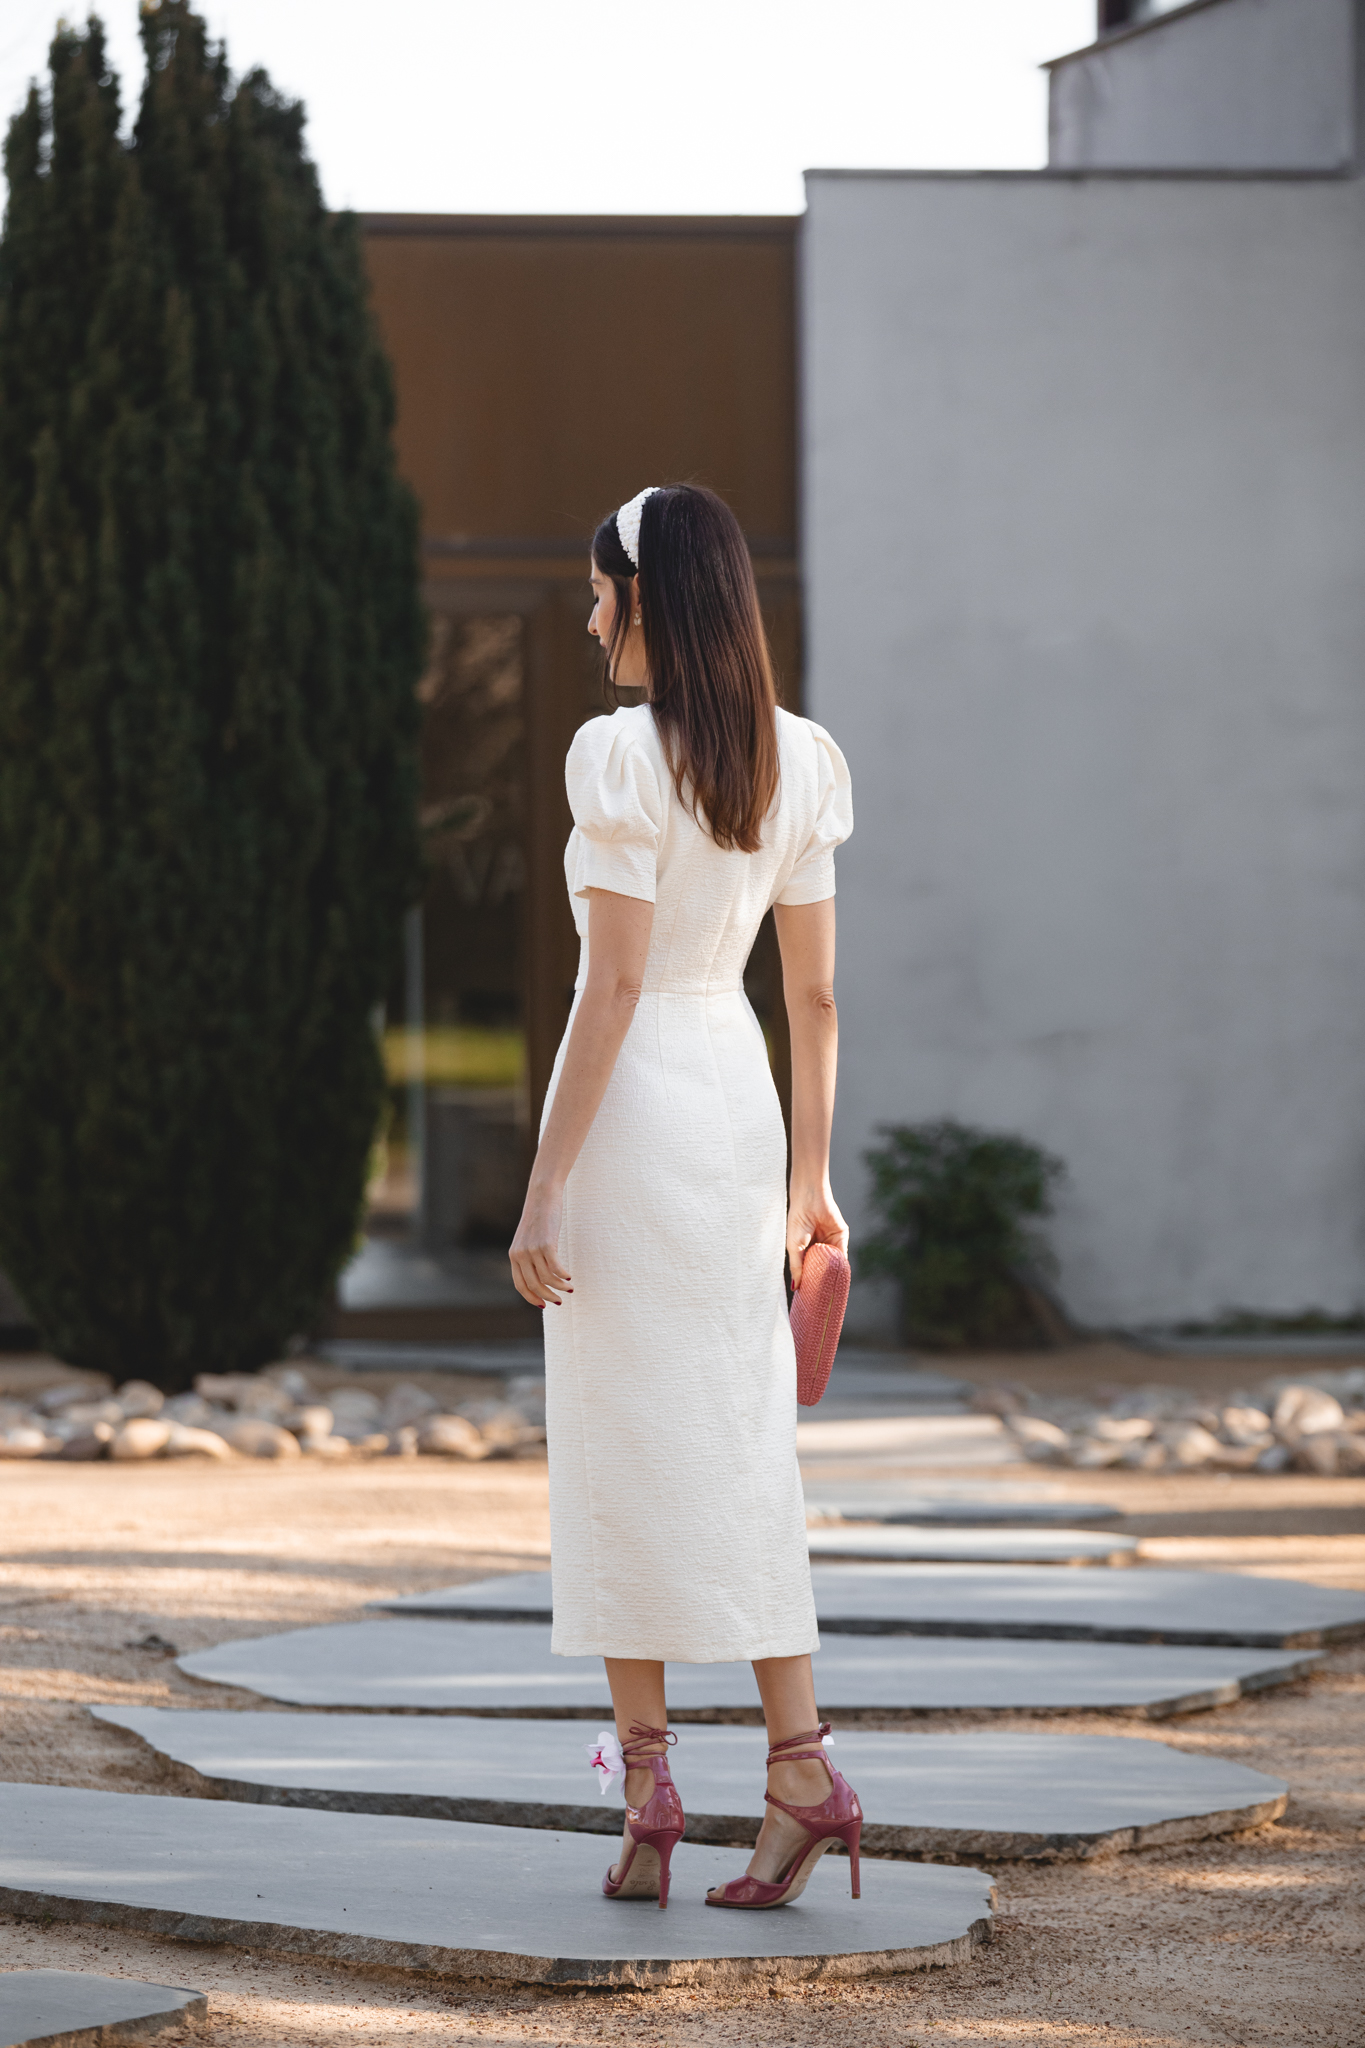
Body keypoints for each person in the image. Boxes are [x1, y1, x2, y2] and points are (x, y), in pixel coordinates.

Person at [508, 483, 859, 1911]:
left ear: (646, 599)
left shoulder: (615, 757)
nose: (590, 619)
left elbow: (612, 987)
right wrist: (811, 1182)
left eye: (601, 595)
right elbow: (815, 997)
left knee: (615, 1443)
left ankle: (645, 1787)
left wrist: (542, 1190)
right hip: (738, 1103)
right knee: (741, 1436)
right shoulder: (802, 758)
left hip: (632, 1110)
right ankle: (801, 1768)